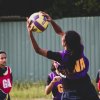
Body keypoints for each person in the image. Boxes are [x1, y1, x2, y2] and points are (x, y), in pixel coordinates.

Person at [26, 12, 99, 100]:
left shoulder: (62, 57)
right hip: (87, 88)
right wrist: (51, 21)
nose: (62, 36)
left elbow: (38, 50)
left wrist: (30, 33)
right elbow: (60, 32)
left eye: (63, 37)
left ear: (65, 43)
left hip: (72, 92)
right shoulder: (79, 48)